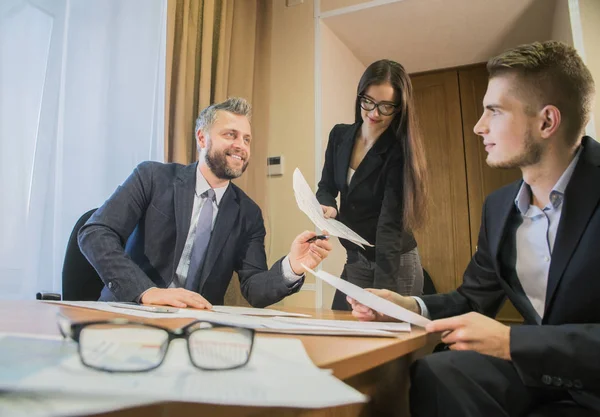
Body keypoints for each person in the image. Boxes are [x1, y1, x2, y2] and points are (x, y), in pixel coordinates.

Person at [348, 41, 600, 416]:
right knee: (437, 370)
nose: (478, 127)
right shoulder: (499, 208)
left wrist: (514, 342)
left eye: (494, 111)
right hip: (538, 377)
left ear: (547, 121)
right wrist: (405, 305)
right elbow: (470, 300)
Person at [79, 97, 332, 309]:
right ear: (202, 138)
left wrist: (292, 267)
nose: (241, 146)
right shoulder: (152, 177)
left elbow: (254, 288)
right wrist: (147, 291)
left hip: (197, 326)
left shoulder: (248, 213)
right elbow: (95, 233)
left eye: (246, 139)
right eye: (230, 135)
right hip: (131, 311)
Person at [316, 59, 428, 310]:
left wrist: (383, 292)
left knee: (388, 338)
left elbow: (389, 225)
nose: (374, 113)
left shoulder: (398, 152)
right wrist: (327, 205)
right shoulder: (340, 136)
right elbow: (326, 185)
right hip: (357, 256)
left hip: (394, 261)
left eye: (386, 106)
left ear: (399, 108)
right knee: (342, 321)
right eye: (368, 101)